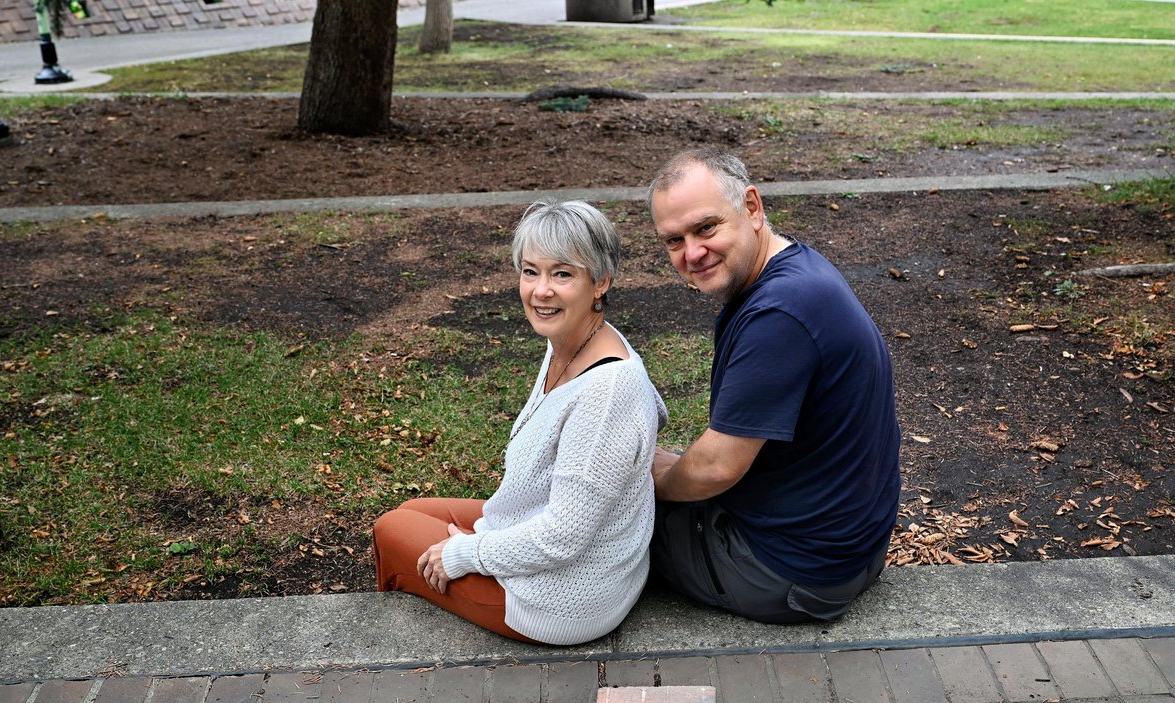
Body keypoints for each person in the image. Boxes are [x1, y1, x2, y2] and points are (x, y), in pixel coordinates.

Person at [372, 200, 666, 646]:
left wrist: (468, 552)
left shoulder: (607, 391)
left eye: (562, 274)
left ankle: (397, 618)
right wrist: (479, 545)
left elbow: (562, 537)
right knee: (412, 512)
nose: (540, 291)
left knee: (389, 530)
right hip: (549, 539)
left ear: (600, 282)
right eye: (531, 271)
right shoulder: (568, 337)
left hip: (564, 598)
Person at [647, 147, 901, 624]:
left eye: (706, 228)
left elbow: (717, 469)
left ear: (751, 207)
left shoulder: (778, 314)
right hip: (848, 551)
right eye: (673, 240)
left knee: (603, 521)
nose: (693, 253)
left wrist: (655, 480)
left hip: (792, 573)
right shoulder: (797, 270)